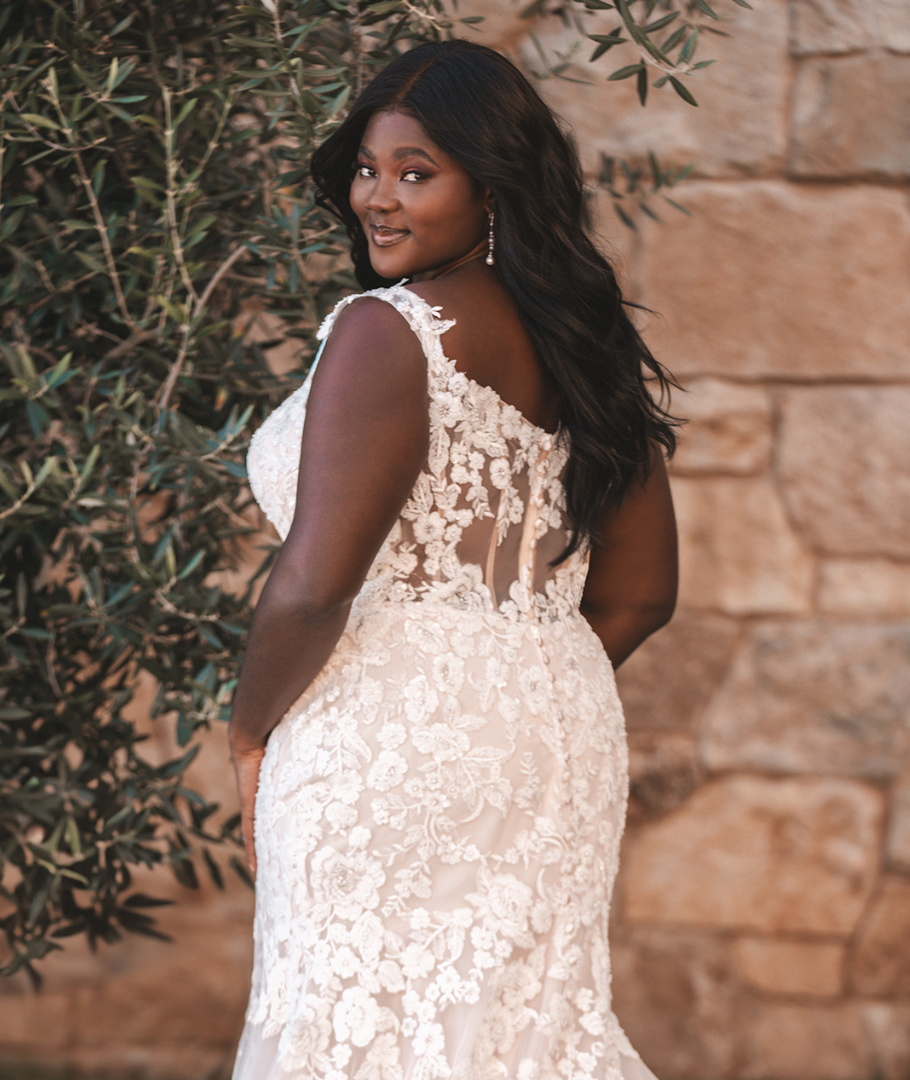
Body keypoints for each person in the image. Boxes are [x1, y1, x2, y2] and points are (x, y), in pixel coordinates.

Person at [229, 39, 678, 1080]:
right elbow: (646, 592)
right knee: (526, 1037)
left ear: (493, 184)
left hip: (382, 733)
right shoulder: (586, 341)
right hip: (556, 732)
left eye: (416, 173)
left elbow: (312, 583)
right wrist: (508, 681)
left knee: (356, 1031)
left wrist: (251, 733)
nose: (378, 200)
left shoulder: (387, 333)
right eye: (367, 169)